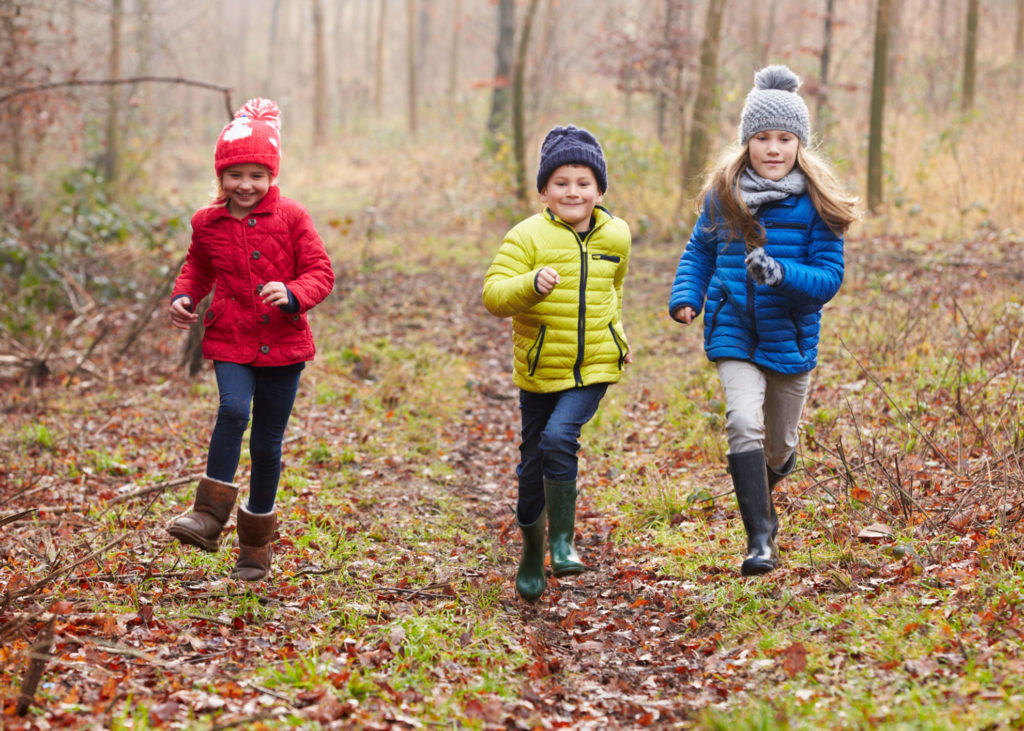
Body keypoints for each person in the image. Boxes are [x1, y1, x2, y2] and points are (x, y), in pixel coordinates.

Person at [668, 66, 857, 576]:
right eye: (761, 138)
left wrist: (780, 273)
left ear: (800, 143)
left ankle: (768, 480)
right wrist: (688, 295)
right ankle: (760, 540)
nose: (772, 148)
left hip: (791, 338)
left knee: (780, 446)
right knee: (742, 422)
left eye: (784, 138)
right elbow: (698, 253)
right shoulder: (722, 195)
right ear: (746, 141)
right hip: (734, 329)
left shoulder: (818, 204)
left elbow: (828, 279)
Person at [167, 98, 334, 581]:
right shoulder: (207, 222)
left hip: (283, 344)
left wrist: (294, 292)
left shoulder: (294, 217)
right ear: (220, 176)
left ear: (271, 176)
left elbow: (321, 272)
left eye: (256, 175)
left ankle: (255, 548)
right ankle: (208, 513)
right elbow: (198, 267)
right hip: (231, 337)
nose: (245, 185)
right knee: (233, 410)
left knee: (266, 445)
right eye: (235, 174)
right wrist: (184, 296)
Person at [483, 125, 632, 601]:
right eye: (562, 182)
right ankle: (531, 554)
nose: (573, 192)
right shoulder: (525, 237)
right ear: (544, 189)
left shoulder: (617, 234)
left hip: (594, 365)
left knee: (559, 437)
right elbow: (493, 295)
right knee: (532, 465)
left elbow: (614, 290)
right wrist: (529, 284)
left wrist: (619, 336)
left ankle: (563, 543)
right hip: (540, 368)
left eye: (584, 182)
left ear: (599, 190)